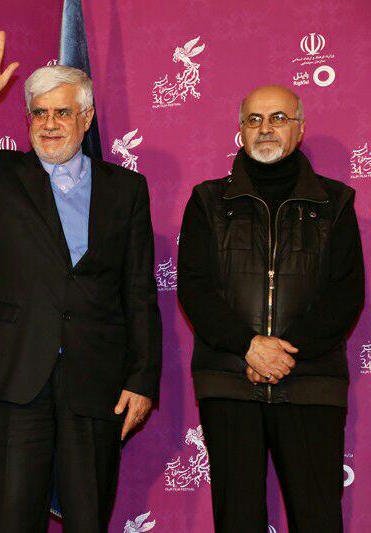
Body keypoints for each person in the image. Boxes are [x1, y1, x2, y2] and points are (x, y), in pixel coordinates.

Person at [0, 26, 162, 532]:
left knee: (88, 516)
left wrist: (142, 379)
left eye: (62, 112)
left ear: (87, 118)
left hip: (96, 379)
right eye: (39, 113)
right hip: (16, 374)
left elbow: (139, 290)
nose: (50, 124)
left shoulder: (126, 189)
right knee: (12, 518)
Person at [178, 85, 364, 532]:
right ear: (240, 131)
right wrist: (249, 346)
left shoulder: (336, 202)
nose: (265, 128)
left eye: (278, 118)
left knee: (318, 519)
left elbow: (345, 293)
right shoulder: (207, 200)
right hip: (229, 381)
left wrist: (282, 353)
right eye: (254, 119)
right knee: (237, 519)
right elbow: (195, 288)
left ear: (300, 129)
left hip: (311, 382)